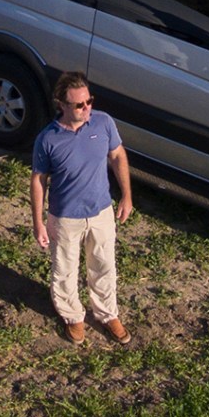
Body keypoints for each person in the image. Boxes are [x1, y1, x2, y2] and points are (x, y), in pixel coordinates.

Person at [30, 71, 133, 346]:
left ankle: (107, 314)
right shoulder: (47, 139)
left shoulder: (103, 123)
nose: (87, 108)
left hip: (101, 211)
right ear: (61, 105)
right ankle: (73, 316)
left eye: (89, 101)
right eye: (79, 104)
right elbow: (39, 180)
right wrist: (38, 222)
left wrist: (126, 196)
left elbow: (118, 156)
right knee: (64, 269)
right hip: (65, 217)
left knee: (104, 264)